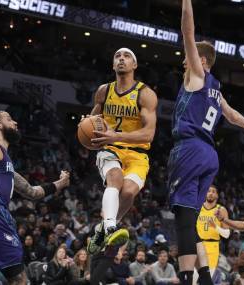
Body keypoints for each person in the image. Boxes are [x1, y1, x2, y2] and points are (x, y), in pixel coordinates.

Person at [167, 1, 244, 284]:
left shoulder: (198, 75)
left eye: (190, 55)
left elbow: (187, 31)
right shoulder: (216, 89)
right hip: (210, 154)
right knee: (193, 221)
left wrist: (186, 2)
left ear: (203, 61)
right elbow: (232, 115)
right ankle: (205, 280)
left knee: (183, 219)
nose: (184, 59)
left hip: (190, 148)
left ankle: (187, 279)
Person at [0, 111, 70, 285]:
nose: (15, 122)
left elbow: (32, 192)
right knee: (19, 279)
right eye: (9, 119)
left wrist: (60, 183)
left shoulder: (5, 165)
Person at [86, 47, 158, 283]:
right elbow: (91, 121)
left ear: (134, 65)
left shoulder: (145, 94)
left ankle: (102, 229)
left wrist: (114, 135)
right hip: (110, 149)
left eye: (126, 56)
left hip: (137, 154)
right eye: (117, 56)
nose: (121, 59)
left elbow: (148, 134)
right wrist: (88, 132)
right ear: (113, 64)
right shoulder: (104, 91)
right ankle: (108, 228)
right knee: (115, 180)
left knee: (128, 191)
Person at [195, 185, 230, 280]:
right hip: (198, 245)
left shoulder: (221, 210)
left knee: (207, 280)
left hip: (213, 247)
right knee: (192, 280)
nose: (210, 193)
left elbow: (227, 234)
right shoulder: (197, 208)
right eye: (208, 191)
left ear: (217, 195)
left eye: (213, 191)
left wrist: (216, 227)